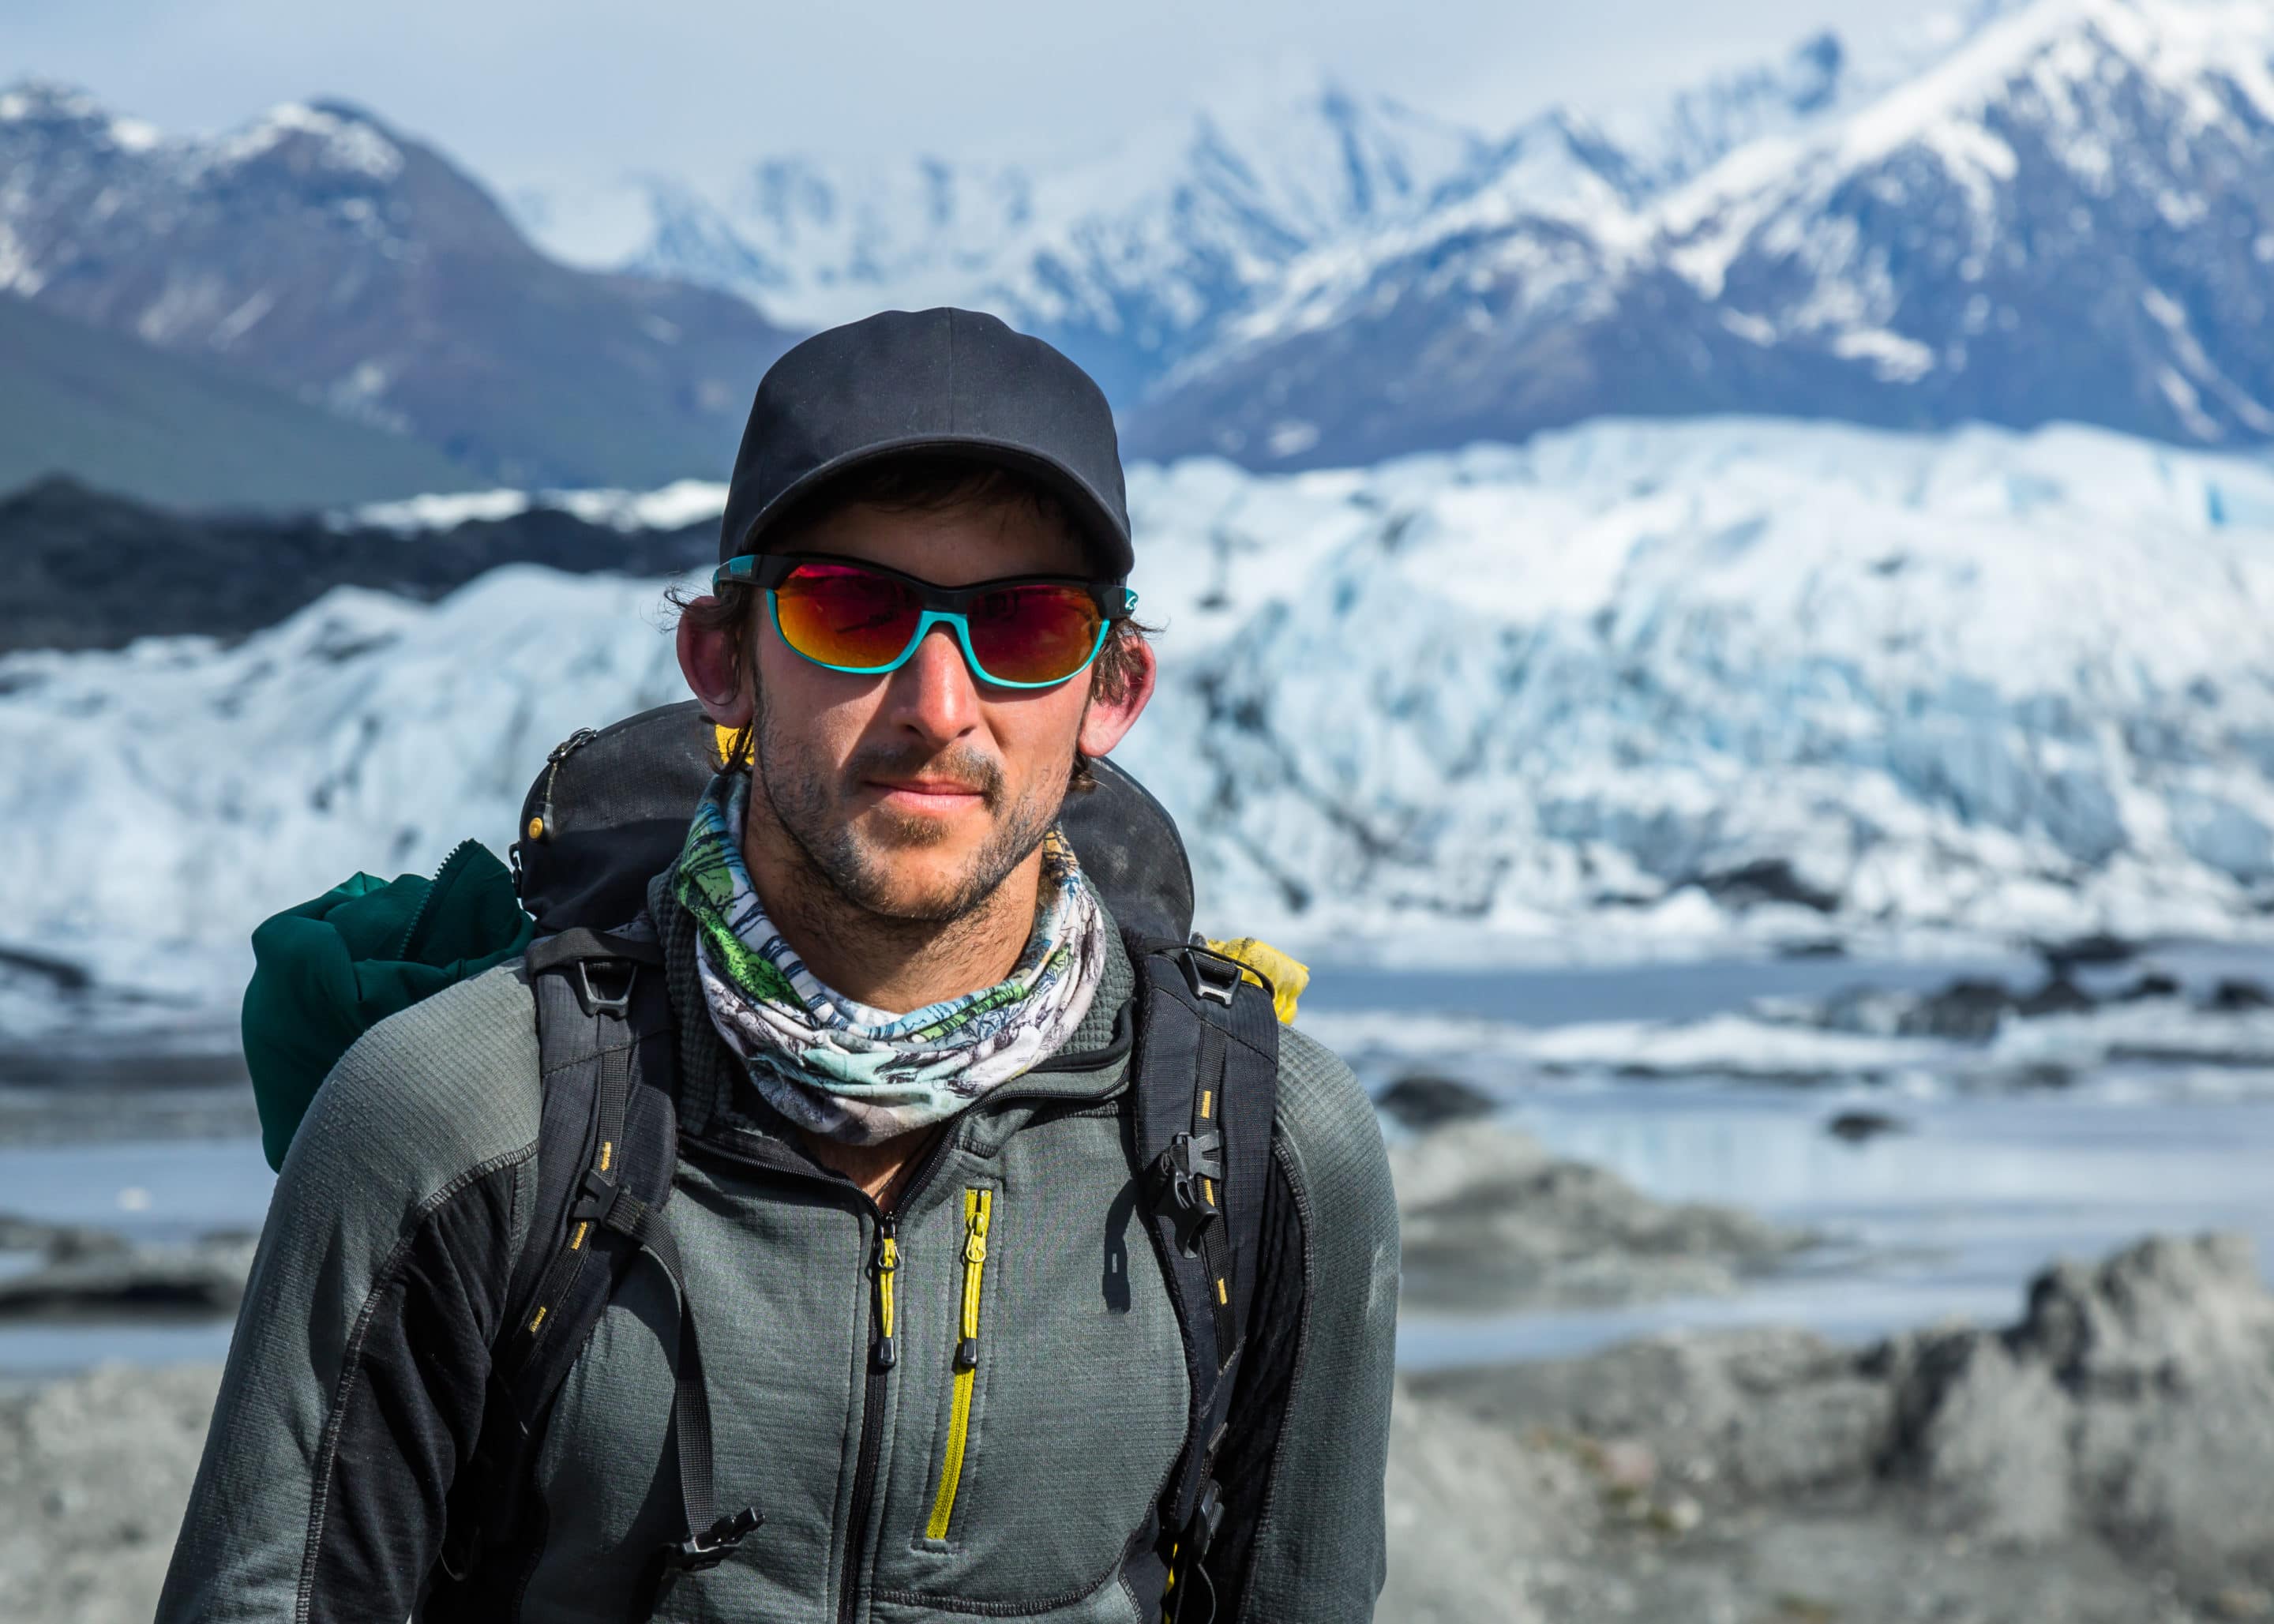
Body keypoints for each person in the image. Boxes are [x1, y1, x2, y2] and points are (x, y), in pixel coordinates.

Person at [157, 307, 1398, 1622]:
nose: (936, 704)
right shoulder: (458, 1126)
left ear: (1112, 688)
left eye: (1025, 625)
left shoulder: (1262, 1148)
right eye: (852, 608)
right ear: (722, 656)